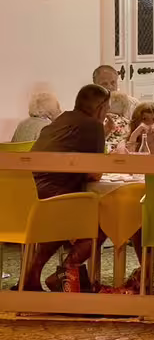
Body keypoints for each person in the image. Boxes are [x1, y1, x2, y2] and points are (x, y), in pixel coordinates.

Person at [24, 84, 110, 291]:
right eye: (107, 108)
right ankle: (67, 270)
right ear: (100, 108)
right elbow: (95, 172)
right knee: (104, 220)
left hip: (29, 194)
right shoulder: (93, 125)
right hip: (55, 196)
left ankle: (33, 273)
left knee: (64, 221)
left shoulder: (61, 120)